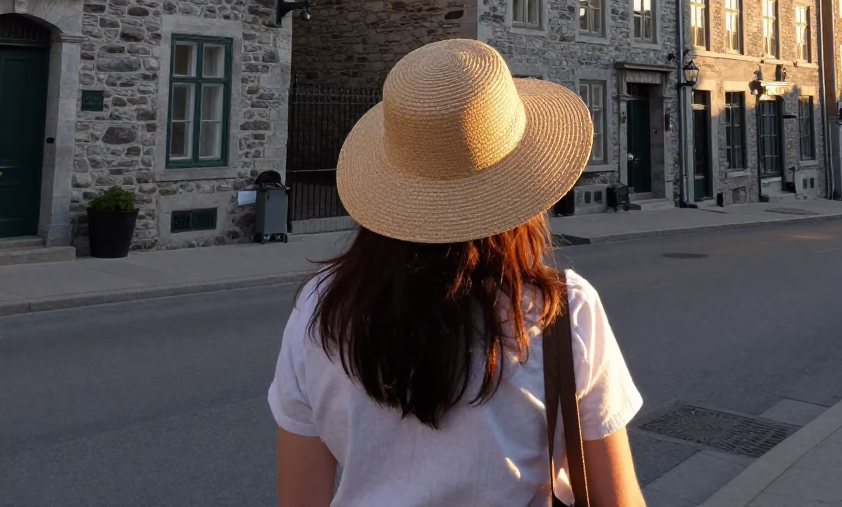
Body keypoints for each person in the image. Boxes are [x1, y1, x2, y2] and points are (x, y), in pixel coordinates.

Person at [269, 38, 646, 506]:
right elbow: (617, 499)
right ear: (524, 181)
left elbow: (301, 499)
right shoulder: (559, 310)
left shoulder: (322, 309)